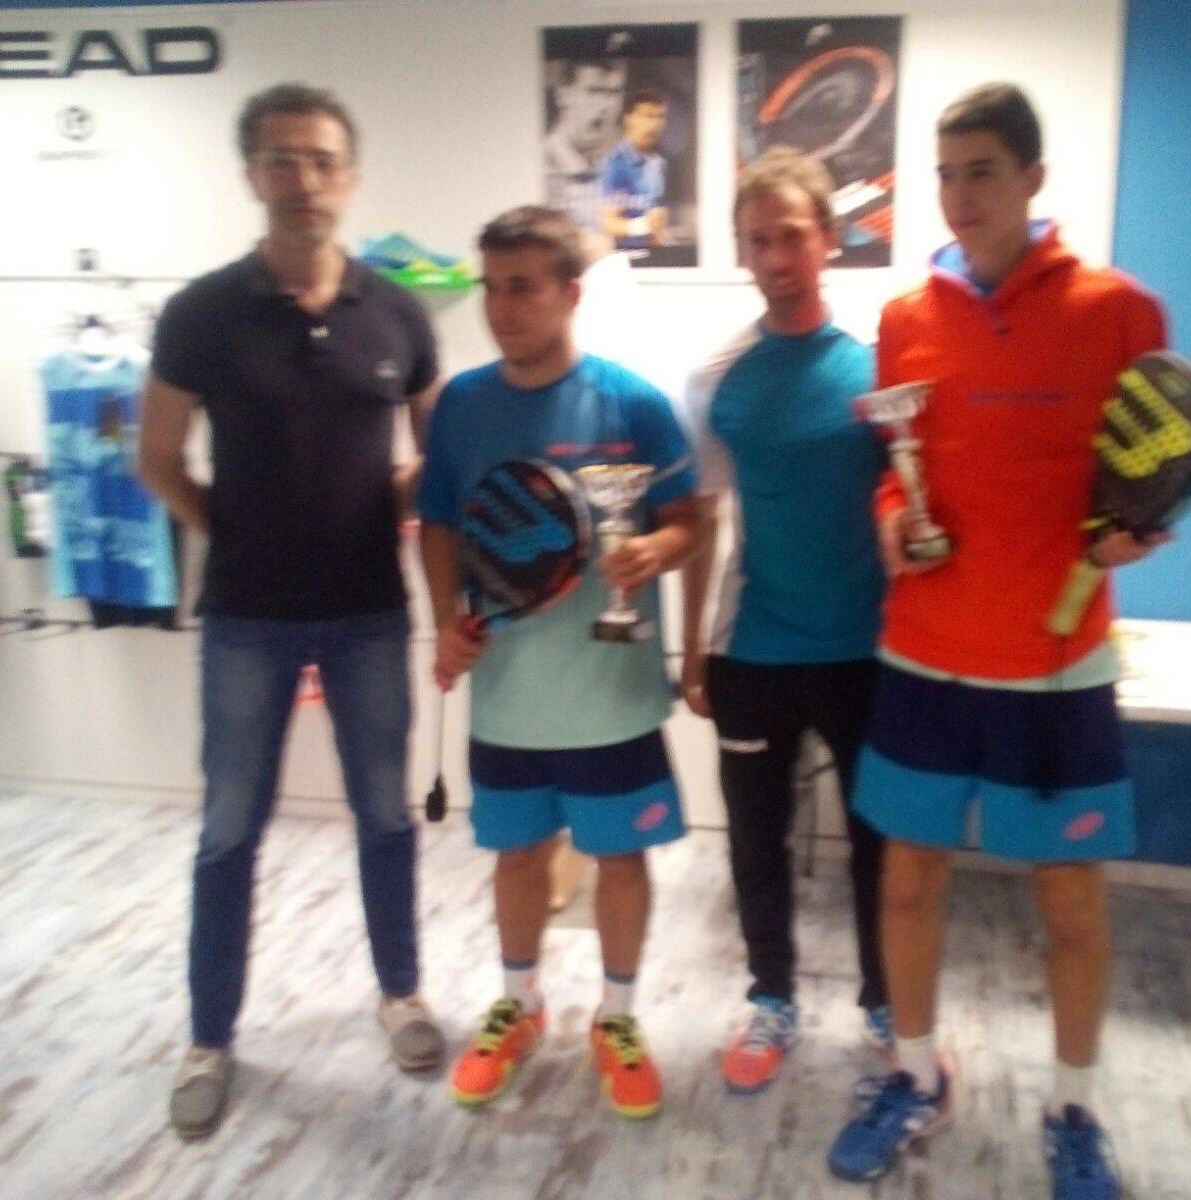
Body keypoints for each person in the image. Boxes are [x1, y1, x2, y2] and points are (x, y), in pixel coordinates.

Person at [825, 83, 1169, 1200]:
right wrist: (893, 518)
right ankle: (915, 1076)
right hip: (925, 651)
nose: (960, 194)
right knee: (905, 884)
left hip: (1057, 661)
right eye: (946, 173)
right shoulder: (905, 319)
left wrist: (1137, 531)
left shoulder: (1120, 311)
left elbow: (1145, 471)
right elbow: (897, 467)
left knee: (1069, 903)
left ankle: (1074, 1110)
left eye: (981, 170)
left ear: (1031, 177)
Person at [138, 83, 444, 1141]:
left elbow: (436, 450)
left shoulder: (397, 312)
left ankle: (400, 994)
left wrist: (381, 512)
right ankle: (209, 1037)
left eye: (320, 159)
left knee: (386, 817)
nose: (302, 179)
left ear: (349, 175)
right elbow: (158, 457)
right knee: (229, 830)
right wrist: (230, 531)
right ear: (251, 175)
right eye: (280, 159)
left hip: (368, 612)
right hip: (246, 617)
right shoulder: (200, 314)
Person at [417, 205, 703, 1120]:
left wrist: (655, 550)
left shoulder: (635, 403)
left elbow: (689, 521)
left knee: (620, 860)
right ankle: (520, 1003)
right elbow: (438, 523)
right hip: (508, 694)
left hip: (612, 695)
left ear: (570, 294)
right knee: (515, 856)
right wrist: (446, 619)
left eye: (523, 288)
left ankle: (616, 1019)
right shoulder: (462, 404)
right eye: (492, 289)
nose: (502, 308)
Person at [680, 147, 891, 1095]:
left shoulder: (881, 369)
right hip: (755, 653)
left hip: (869, 656)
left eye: (791, 236)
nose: (775, 257)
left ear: (829, 240)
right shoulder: (715, 379)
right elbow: (701, 521)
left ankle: (887, 1003)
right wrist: (695, 650)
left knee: (878, 842)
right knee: (754, 842)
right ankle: (771, 998)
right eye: (757, 240)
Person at [543, 59, 627, 233]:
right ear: (563, 95)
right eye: (593, 91)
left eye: (614, 93)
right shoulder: (537, 162)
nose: (606, 105)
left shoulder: (625, 164)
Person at [601, 89, 670, 253]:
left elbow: (657, 219)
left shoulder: (658, 164)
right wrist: (643, 226)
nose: (654, 125)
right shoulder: (614, 164)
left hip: (651, 257)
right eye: (647, 116)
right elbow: (608, 224)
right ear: (629, 119)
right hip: (619, 258)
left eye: (659, 117)